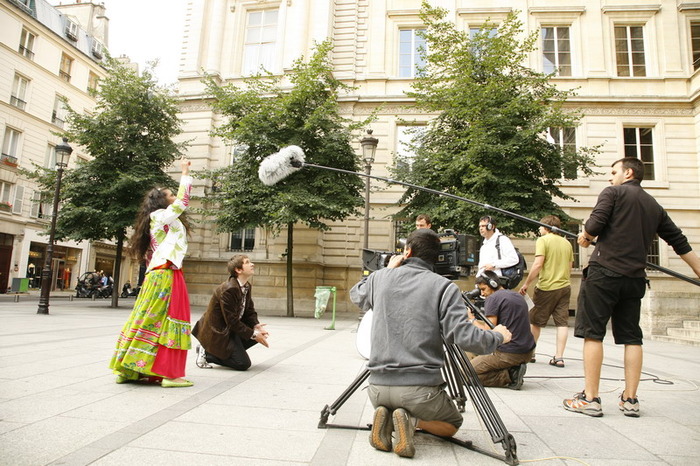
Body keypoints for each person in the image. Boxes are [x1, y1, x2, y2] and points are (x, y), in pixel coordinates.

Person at [350, 228, 512, 458]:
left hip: (376, 389)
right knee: (452, 423)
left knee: (392, 400)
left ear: (407, 251)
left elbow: (356, 295)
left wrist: (386, 271)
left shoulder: (380, 278)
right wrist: (498, 336)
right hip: (419, 391)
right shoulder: (443, 287)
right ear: (437, 257)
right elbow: (465, 337)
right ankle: (411, 420)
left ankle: (387, 418)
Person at [564, 157, 700, 418]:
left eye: (613, 171)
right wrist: (697, 269)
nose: (609, 176)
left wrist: (586, 236)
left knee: (593, 334)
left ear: (628, 173)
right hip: (634, 279)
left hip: (604, 275)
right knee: (631, 338)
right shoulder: (653, 205)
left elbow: (594, 224)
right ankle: (630, 399)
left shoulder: (612, 192)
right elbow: (678, 240)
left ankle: (590, 398)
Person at [109, 158, 194, 388]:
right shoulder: (160, 216)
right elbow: (184, 201)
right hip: (167, 273)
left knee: (147, 319)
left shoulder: (158, 220)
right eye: (170, 195)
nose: (174, 197)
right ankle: (169, 374)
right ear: (162, 202)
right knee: (172, 319)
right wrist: (185, 173)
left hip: (158, 273)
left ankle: (130, 369)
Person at [192, 255, 269, 370]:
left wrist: (255, 325)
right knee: (243, 364)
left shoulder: (246, 286)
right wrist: (253, 334)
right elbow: (231, 321)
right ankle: (208, 353)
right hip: (218, 331)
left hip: (230, 328)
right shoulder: (229, 289)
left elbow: (249, 310)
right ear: (238, 270)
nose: (252, 264)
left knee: (257, 335)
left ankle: (221, 351)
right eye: (247, 262)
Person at [518, 215, 574, 367]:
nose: (539, 228)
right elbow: (569, 267)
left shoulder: (543, 240)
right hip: (564, 287)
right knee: (562, 323)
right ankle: (559, 357)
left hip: (547, 287)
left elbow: (537, 264)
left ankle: (531, 353)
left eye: (540, 226)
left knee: (535, 321)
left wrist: (527, 283)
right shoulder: (567, 243)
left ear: (547, 227)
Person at [470, 270, 536, 389]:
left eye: (484, 289)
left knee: (465, 374)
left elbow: (487, 331)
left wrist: (471, 320)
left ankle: (510, 375)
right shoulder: (516, 295)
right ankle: (511, 369)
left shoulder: (493, 299)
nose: (482, 293)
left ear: (493, 284)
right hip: (527, 352)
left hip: (508, 354)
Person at [477, 216, 519, 281]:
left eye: (483, 226)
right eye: (480, 226)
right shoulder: (484, 246)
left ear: (491, 226)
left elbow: (514, 259)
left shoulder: (502, 240)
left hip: (498, 282)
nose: (481, 228)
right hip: (484, 283)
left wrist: (494, 265)